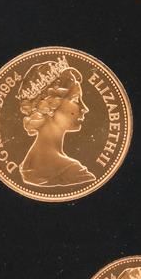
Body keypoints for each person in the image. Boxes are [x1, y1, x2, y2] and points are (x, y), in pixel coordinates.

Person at [17, 58, 96, 188]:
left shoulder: (27, 164)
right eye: (75, 99)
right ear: (49, 107)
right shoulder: (73, 171)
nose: (84, 108)